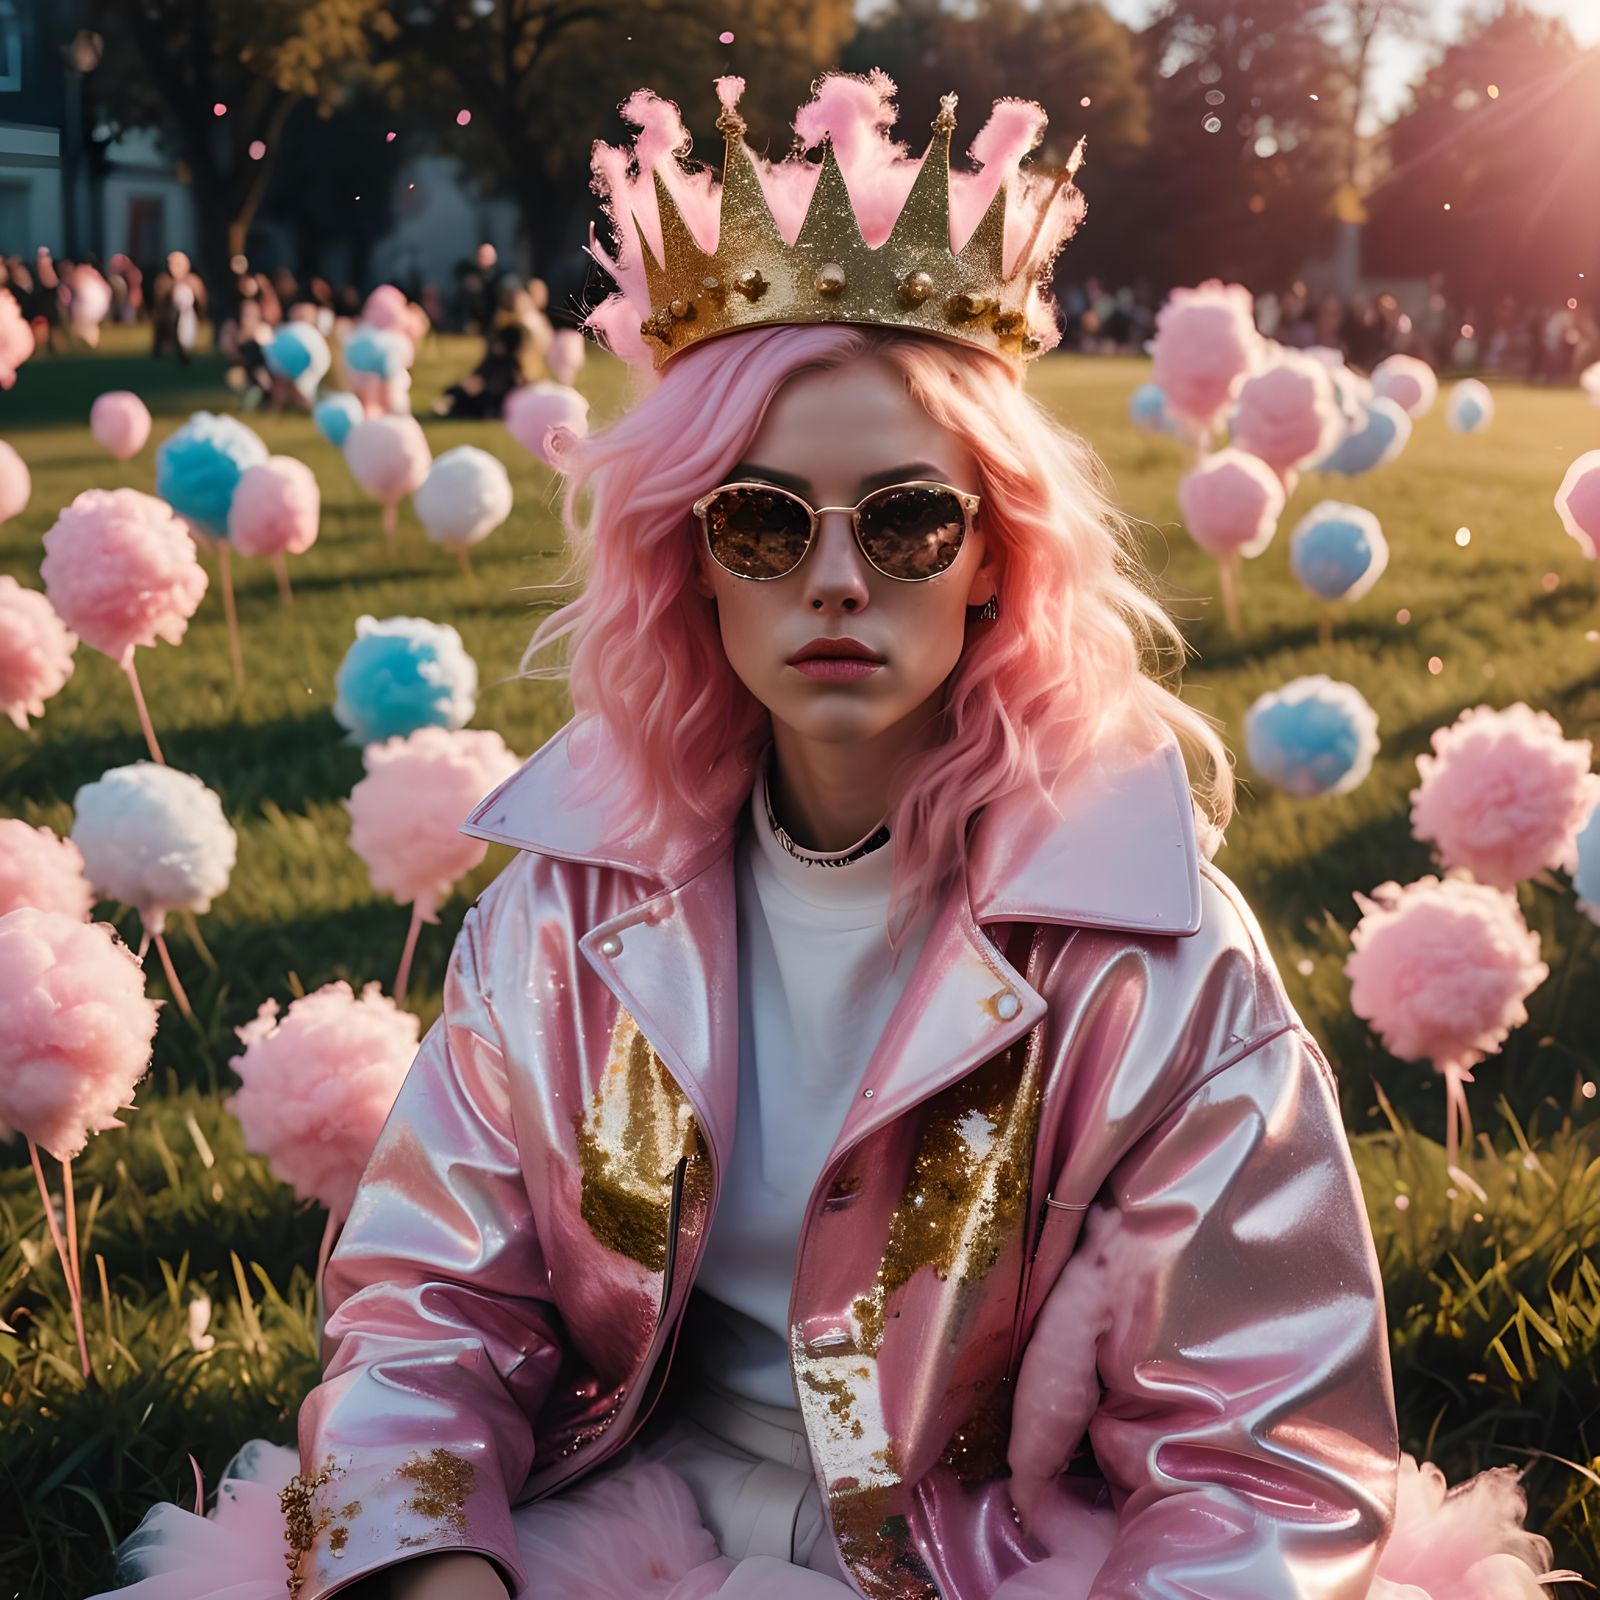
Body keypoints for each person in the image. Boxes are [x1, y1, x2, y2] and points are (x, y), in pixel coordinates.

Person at [93, 71, 1566, 1600]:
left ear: (995, 559)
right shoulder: (560, 910)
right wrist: (436, 1568)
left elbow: (1257, 1451)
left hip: (995, 1561)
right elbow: (426, 1305)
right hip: (610, 1518)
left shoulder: (1154, 959)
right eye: (766, 521)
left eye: (911, 520)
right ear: (691, 560)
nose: (839, 579)